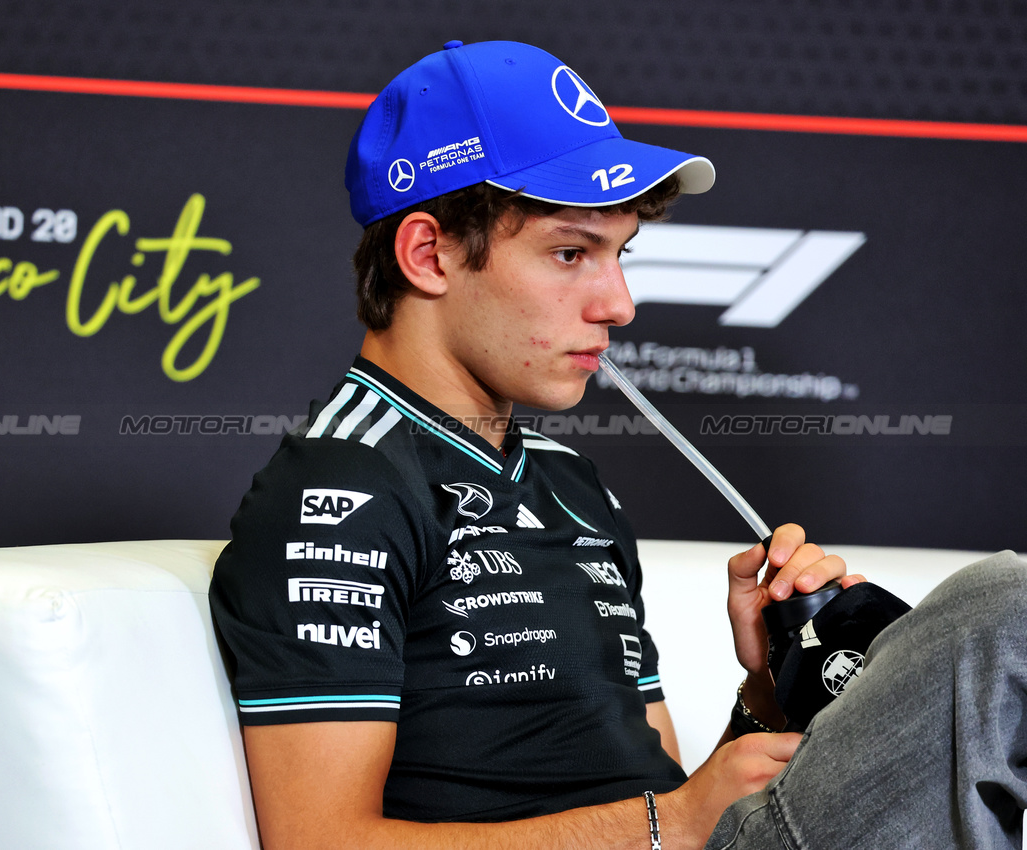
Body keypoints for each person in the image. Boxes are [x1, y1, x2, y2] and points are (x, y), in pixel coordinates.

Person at [209, 40, 1027, 850]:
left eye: (618, 254)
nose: (619, 303)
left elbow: (668, 813)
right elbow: (320, 840)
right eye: (570, 253)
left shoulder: (572, 484)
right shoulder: (340, 490)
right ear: (429, 255)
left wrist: (768, 690)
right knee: (1006, 604)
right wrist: (669, 821)